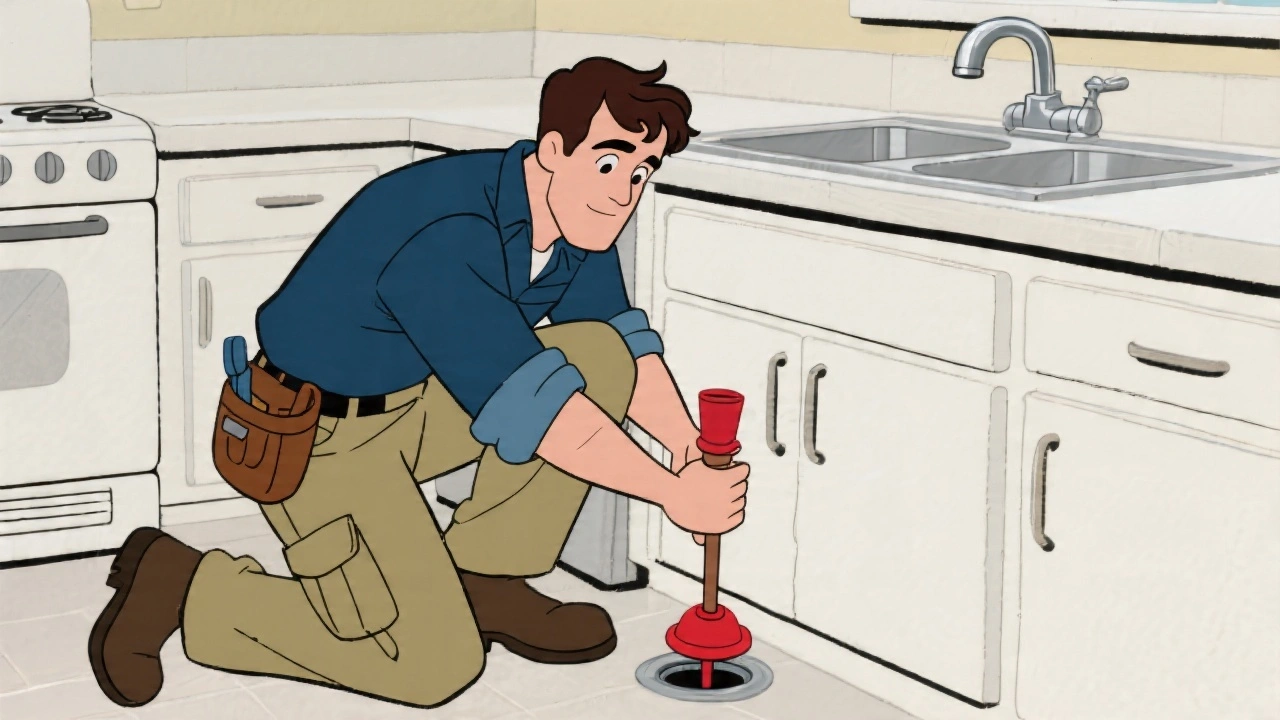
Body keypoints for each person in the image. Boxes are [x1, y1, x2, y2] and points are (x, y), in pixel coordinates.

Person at [87, 56, 750, 710]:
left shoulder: (576, 218)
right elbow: (537, 412)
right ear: (554, 149)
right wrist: (671, 493)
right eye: (609, 164)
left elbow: (624, 347)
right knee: (432, 664)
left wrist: (685, 444)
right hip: (316, 435)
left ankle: (483, 581)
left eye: (640, 172)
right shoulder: (452, 232)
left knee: (600, 355)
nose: (622, 192)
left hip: (411, 401)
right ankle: (184, 586)